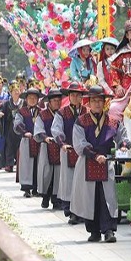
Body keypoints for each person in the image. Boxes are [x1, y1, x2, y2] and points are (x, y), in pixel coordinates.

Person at [71, 86, 131, 243]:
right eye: (94, 101)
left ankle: (109, 230)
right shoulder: (81, 121)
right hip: (87, 162)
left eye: (100, 101)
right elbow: (79, 143)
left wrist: (124, 145)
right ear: (89, 103)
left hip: (106, 163)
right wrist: (94, 155)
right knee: (90, 198)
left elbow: (122, 136)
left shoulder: (113, 121)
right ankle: (94, 231)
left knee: (108, 197)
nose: (97, 104)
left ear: (105, 103)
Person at [52, 81, 88, 224]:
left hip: (84, 152)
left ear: (81, 97)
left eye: (78, 95)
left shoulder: (87, 111)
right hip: (67, 150)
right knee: (68, 181)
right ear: (69, 96)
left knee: (82, 182)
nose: (75, 97)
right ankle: (71, 211)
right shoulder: (62, 112)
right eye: (72, 95)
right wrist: (62, 143)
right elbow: (56, 129)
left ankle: (83, 211)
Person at [34, 88, 63, 209]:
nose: (57, 102)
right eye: (54, 100)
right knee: (46, 173)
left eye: (58, 100)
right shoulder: (42, 115)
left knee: (58, 173)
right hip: (47, 146)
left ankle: (56, 199)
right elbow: (38, 130)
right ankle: (45, 197)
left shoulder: (62, 113)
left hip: (60, 146)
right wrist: (46, 138)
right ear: (49, 102)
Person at [14, 88, 44, 197]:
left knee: (39, 164)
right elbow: (18, 124)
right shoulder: (21, 111)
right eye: (30, 98)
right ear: (26, 99)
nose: (32, 100)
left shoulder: (41, 111)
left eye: (35, 98)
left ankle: (37, 188)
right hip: (27, 141)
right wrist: (24, 132)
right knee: (26, 164)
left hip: (39, 141)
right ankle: (26, 188)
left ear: (38, 99)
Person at [0, 81, 23, 172]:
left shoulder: (23, 103)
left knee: (21, 146)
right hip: (10, 127)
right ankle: (9, 164)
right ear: (11, 93)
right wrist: (1, 114)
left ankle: (21, 164)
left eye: (18, 90)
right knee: (10, 146)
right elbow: (2, 110)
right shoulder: (7, 103)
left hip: (21, 127)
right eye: (14, 91)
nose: (16, 93)